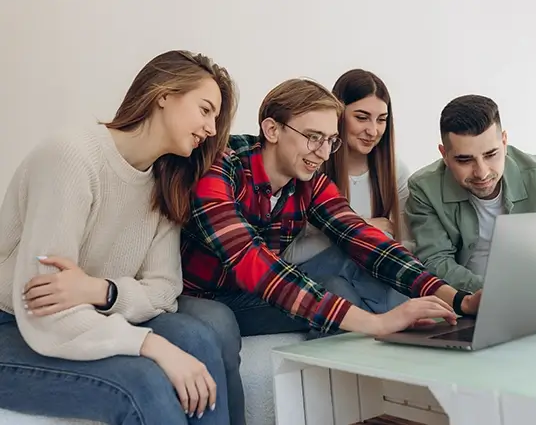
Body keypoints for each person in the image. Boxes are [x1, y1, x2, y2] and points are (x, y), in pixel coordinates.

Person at [0, 50, 242, 425]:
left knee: (199, 341)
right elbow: (42, 306)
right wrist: (152, 345)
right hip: (14, 320)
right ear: (164, 94)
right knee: (144, 383)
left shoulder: (166, 182)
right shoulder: (72, 157)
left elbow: (164, 290)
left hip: (87, 311)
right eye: (205, 109)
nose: (211, 129)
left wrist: (102, 291)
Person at [180, 78, 481, 339]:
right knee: (219, 323)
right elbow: (250, 261)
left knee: (342, 284)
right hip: (203, 295)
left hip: (253, 293)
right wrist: (377, 323)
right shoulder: (220, 167)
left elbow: (364, 239)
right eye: (313, 138)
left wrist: (458, 300)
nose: (323, 153)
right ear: (272, 130)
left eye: (330, 141)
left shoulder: (310, 181)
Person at [405, 94, 536, 302]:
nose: (481, 172)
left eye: (491, 154)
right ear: (444, 155)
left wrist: (524, 294)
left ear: (504, 141)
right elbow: (436, 260)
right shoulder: (424, 188)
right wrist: (491, 294)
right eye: (465, 160)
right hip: (468, 293)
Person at [282, 69, 412, 316]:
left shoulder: (395, 171)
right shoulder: (310, 167)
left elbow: (403, 242)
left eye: (381, 119)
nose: (373, 131)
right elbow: (289, 254)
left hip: (368, 270)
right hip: (314, 271)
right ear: (338, 116)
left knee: (362, 286)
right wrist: (358, 227)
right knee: (341, 288)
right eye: (362, 117)